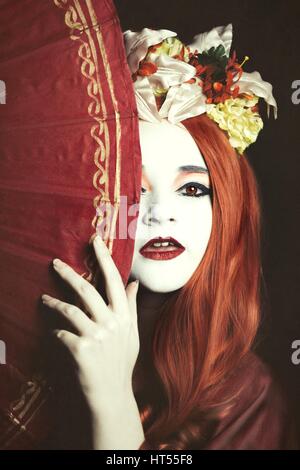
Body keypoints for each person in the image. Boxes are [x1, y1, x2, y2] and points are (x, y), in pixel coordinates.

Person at [40, 24, 296, 449]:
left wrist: (114, 403)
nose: (160, 215)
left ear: (226, 208)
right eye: (132, 192)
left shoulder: (246, 398)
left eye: (192, 189)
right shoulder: (36, 354)